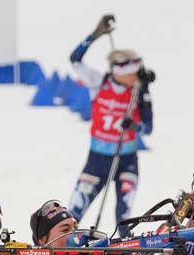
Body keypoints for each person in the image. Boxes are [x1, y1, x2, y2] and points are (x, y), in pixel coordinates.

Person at [68, 15, 154, 237]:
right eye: (133, 73)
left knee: (124, 218)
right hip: (97, 159)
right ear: (121, 71)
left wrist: (133, 126)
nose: (136, 77)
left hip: (127, 159)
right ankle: (61, 249)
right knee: (74, 213)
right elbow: (75, 60)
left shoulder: (138, 90)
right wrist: (94, 36)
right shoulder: (99, 81)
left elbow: (148, 128)